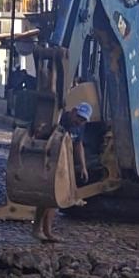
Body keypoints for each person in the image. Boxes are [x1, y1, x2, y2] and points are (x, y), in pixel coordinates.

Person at [33, 102, 91, 243]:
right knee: (46, 197)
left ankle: (48, 231)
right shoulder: (59, 119)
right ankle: (37, 229)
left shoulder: (79, 127)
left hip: (64, 163)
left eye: (83, 120)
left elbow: (78, 145)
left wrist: (83, 166)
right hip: (50, 161)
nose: (80, 121)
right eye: (79, 118)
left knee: (56, 199)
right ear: (73, 111)